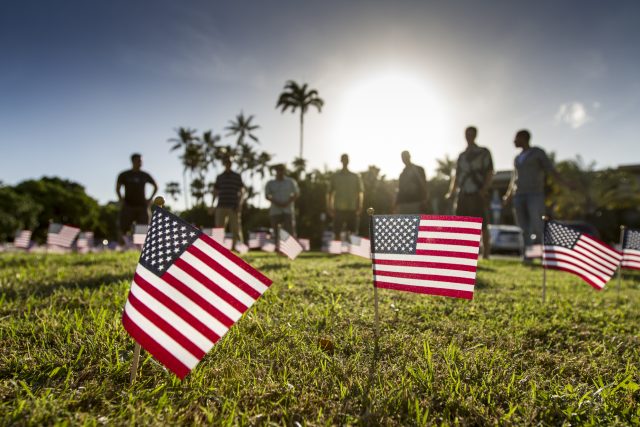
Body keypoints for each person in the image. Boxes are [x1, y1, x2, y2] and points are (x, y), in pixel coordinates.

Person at [502, 129, 568, 262]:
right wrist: (508, 195)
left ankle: (545, 255)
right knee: (524, 228)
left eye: (516, 138)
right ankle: (529, 256)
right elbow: (514, 178)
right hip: (519, 195)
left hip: (534, 194)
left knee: (537, 226)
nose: (514, 141)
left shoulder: (537, 152)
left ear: (523, 138)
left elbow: (550, 169)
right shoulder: (516, 158)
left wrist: (564, 183)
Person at [445, 126, 494, 258]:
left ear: (475, 135)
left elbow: (490, 172)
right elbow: (456, 175)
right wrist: (451, 192)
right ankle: (464, 253)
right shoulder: (462, 156)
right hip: (463, 193)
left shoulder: (483, 152)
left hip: (477, 192)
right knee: (461, 223)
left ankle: (486, 254)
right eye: (467, 134)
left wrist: (484, 189)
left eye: (471, 134)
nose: (469, 136)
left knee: (482, 224)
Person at [116, 153, 157, 245]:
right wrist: (121, 199)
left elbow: (155, 186)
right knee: (123, 228)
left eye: (141, 161)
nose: (140, 162)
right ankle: (122, 247)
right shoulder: (124, 175)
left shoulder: (145, 175)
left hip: (142, 206)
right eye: (139, 160)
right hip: (128, 205)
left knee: (142, 228)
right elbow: (117, 188)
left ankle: (139, 249)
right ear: (133, 161)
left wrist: (150, 199)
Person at [327, 154, 364, 240]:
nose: (345, 161)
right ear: (341, 161)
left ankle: (351, 250)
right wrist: (329, 207)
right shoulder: (335, 176)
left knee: (352, 232)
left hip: (352, 207)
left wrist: (360, 205)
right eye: (343, 159)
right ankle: (337, 251)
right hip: (338, 208)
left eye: (346, 159)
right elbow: (330, 193)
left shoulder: (355, 176)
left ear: (348, 161)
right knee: (337, 231)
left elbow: (360, 192)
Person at [213, 157, 245, 250]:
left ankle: (236, 247)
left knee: (235, 228)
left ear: (231, 164)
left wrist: (240, 204)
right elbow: (215, 191)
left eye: (229, 162)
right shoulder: (220, 177)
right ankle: (218, 248)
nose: (228, 164)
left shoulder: (237, 176)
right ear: (224, 164)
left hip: (233, 206)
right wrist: (212, 205)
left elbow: (242, 191)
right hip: (221, 205)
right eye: (226, 162)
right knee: (219, 228)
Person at [265, 164, 300, 247]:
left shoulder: (291, 181)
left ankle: (290, 249)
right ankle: (278, 248)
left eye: (282, 170)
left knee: (289, 230)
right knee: (276, 232)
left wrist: (287, 202)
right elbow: (267, 195)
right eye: (278, 170)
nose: (280, 172)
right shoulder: (270, 183)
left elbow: (296, 193)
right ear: (276, 171)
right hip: (275, 211)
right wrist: (277, 203)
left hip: (288, 210)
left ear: (284, 171)